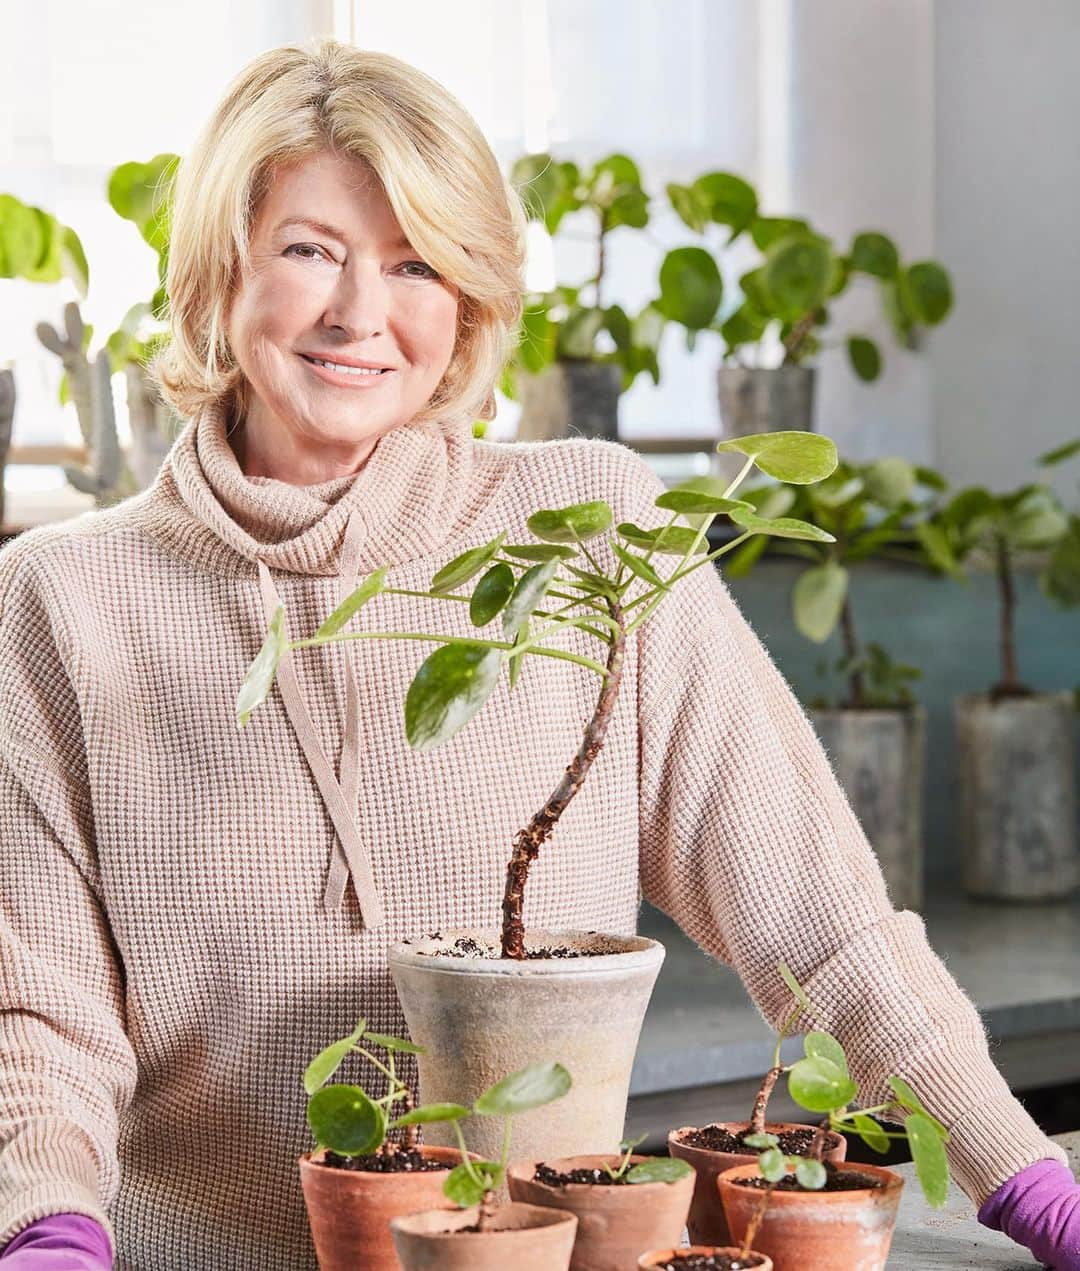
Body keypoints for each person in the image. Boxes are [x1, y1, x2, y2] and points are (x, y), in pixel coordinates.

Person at [0, 37, 1076, 1271]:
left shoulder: (590, 535)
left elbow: (816, 915)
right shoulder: (61, 599)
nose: (361, 312)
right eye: (311, 250)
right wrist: (47, 1230)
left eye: (415, 263)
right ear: (218, 269)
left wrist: (1024, 1172)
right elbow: (37, 1007)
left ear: (465, 301)